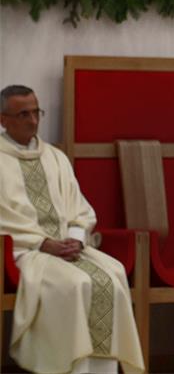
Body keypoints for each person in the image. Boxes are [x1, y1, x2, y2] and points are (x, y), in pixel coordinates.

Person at [0, 85, 144, 374]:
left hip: (67, 247)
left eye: (37, 112)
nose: (33, 121)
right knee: (77, 284)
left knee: (113, 274)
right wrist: (42, 243)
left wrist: (76, 239)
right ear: (3, 119)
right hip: (25, 251)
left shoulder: (56, 158)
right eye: (24, 114)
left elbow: (79, 208)